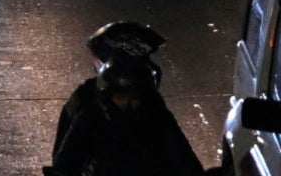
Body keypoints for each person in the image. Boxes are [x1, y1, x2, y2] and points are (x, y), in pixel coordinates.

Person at [47, 23, 205, 176]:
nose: (128, 103)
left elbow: (179, 151)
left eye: (134, 98)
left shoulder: (151, 105)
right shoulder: (88, 104)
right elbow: (67, 157)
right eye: (121, 97)